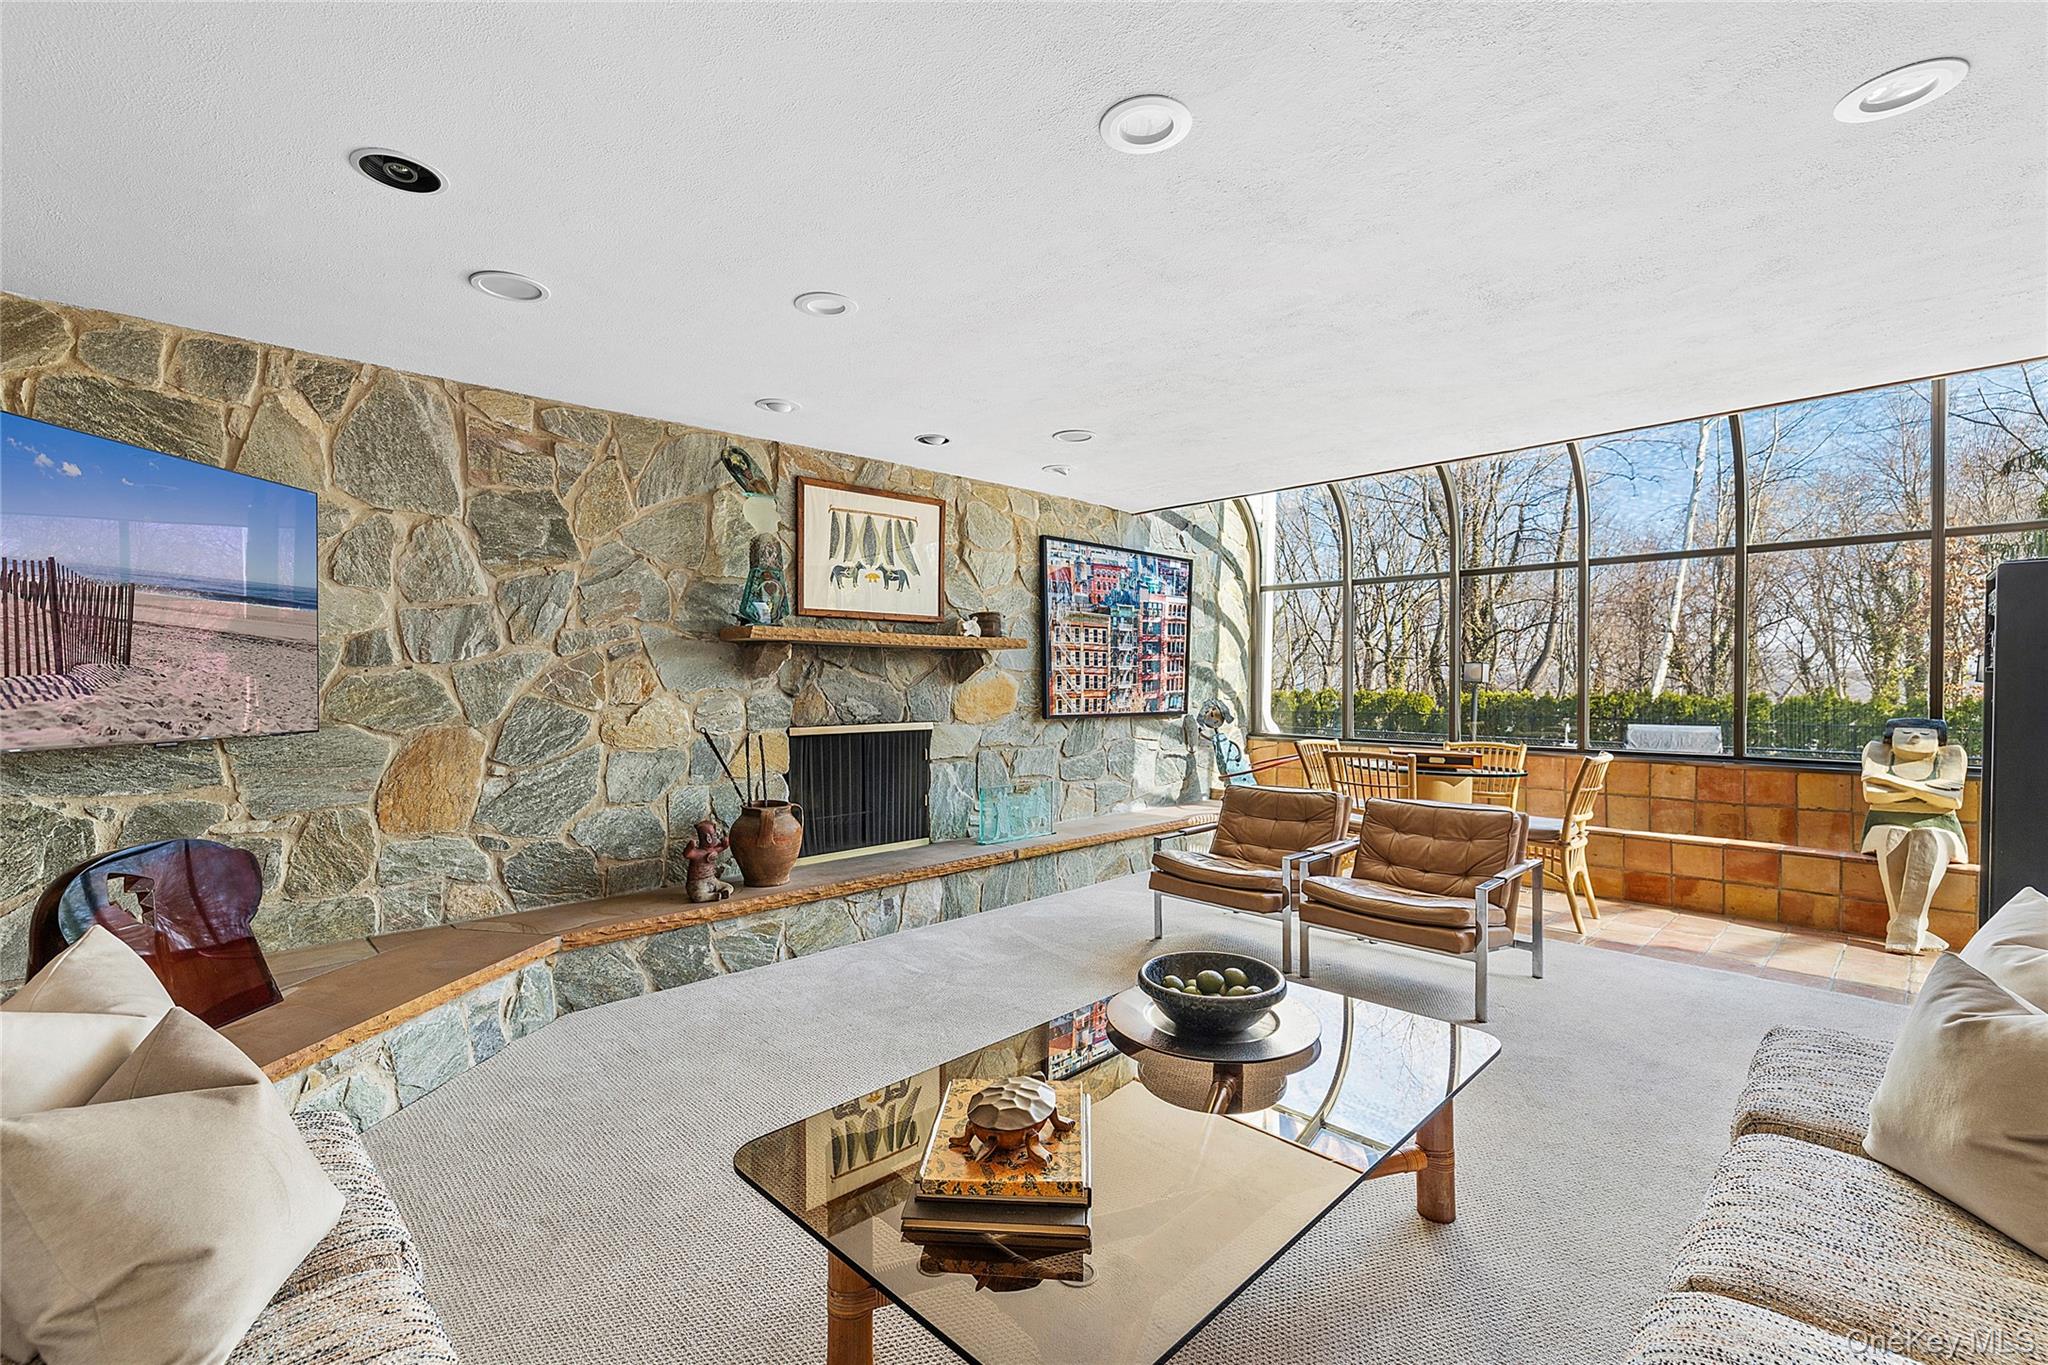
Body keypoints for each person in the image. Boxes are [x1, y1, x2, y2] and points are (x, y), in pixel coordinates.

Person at [1859, 717, 1968, 954]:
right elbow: (1873, 793)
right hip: (1882, 824)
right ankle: (1910, 927)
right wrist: (1932, 790)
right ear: (1890, 737)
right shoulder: (1877, 752)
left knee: (1927, 837)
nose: (1915, 738)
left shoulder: (1952, 755)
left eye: (1926, 735)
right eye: (1905, 732)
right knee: (1893, 834)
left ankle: (1903, 927)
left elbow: (1952, 799)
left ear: (1939, 740)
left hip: (1942, 826)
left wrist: (1893, 784)